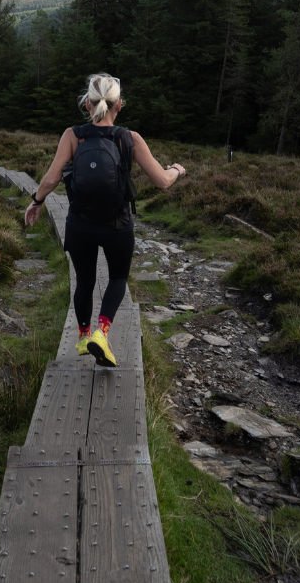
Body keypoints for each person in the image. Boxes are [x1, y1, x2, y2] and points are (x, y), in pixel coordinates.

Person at [24, 74, 185, 367]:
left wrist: (36, 202)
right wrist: (176, 169)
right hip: (117, 225)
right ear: (119, 105)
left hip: (79, 224)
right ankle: (103, 331)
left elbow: (51, 177)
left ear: (87, 104)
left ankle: (84, 337)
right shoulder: (129, 138)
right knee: (118, 278)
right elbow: (162, 181)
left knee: (84, 281)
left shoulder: (73, 135)